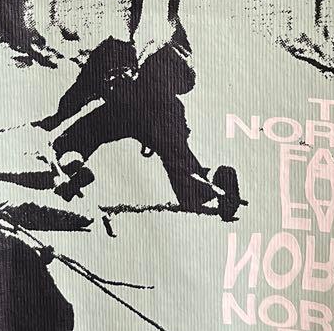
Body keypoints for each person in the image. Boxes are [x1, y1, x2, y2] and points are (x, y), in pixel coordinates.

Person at [38, 32, 244, 221]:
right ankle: (64, 169)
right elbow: (77, 95)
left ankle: (220, 185)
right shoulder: (103, 60)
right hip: (136, 112)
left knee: (185, 181)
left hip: (150, 112)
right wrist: (55, 119)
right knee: (78, 136)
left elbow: (187, 81)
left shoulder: (128, 49)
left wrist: (149, 72)